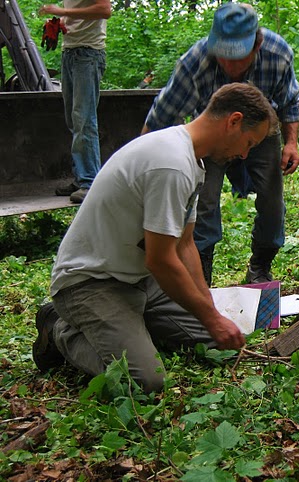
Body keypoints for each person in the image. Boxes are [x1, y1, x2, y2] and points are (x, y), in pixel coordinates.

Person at [32, 83, 277, 393]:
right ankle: (58, 328)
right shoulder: (170, 163)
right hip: (90, 283)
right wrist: (212, 318)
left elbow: (185, 245)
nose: (244, 154)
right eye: (249, 143)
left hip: (137, 281)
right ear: (234, 121)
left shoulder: (192, 162)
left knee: (213, 341)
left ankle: (128, 329)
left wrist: (210, 313)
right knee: (144, 382)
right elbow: (160, 260)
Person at [142, 2, 299, 286]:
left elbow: (290, 101)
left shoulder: (278, 55)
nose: (229, 65)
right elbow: (160, 118)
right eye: (223, 56)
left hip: (263, 134)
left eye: (237, 57)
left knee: (272, 199)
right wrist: (140, 169)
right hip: (213, 140)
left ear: (257, 45)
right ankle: (200, 269)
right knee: (203, 201)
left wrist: (291, 142)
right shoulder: (196, 62)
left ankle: (261, 265)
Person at [39, 0, 112, 204]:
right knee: (73, 120)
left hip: (88, 54)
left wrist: (62, 10)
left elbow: (105, 10)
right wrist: (62, 22)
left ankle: (90, 183)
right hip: (70, 52)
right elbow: (80, 14)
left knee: (84, 120)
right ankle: (81, 178)